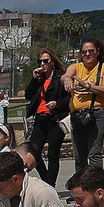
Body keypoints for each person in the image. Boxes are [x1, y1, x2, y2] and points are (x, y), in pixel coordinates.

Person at [64, 38, 104, 176]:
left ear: (97, 51)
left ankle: (96, 185)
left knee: (94, 154)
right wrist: (67, 80)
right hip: (77, 116)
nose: (87, 54)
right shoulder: (76, 67)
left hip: (97, 114)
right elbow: (66, 75)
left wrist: (89, 87)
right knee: (79, 157)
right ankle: (82, 188)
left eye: (91, 51)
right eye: (84, 51)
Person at [25, 50, 69, 186]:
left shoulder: (61, 77)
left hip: (54, 119)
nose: (42, 64)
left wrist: (57, 103)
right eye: (40, 62)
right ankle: (46, 181)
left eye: (46, 61)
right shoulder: (39, 79)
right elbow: (28, 95)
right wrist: (34, 78)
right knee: (33, 152)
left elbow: (69, 97)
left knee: (53, 155)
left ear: (53, 62)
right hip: (40, 119)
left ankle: (50, 185)